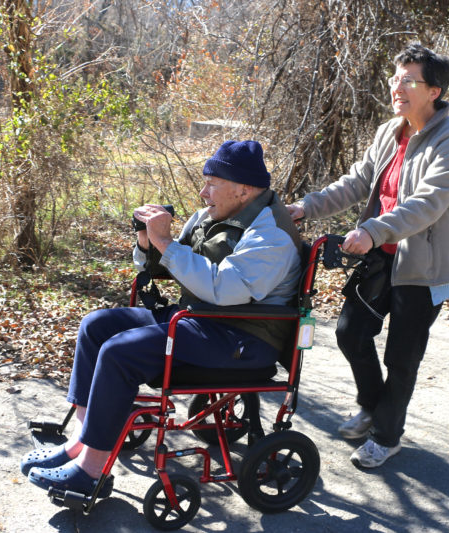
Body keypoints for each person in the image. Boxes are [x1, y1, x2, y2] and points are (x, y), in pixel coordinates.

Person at [21, 140, 302, 497]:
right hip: (203, 319)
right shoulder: (214, 216)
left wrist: (167, 243)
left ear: (243, 189)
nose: (203, 193)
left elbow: (223, 288)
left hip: (242, 338)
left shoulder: (270, 234)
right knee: (98, 326)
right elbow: (171, 268)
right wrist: (147, 241)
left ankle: (90, 472)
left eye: (212, 183)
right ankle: (80, 442)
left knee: (120, 351)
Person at [286, 43, 449, 468]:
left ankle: (387, 437)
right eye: (396, 78)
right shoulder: (391, 131)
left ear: (434, 90)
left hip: (424, 266)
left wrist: (370, 230)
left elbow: (428, 203)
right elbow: (356, 183)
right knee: (351, 331)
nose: (398, 87)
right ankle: (373, 406)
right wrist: (305, 207)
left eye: (409, 80)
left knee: (402, 356)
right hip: (382, 254)